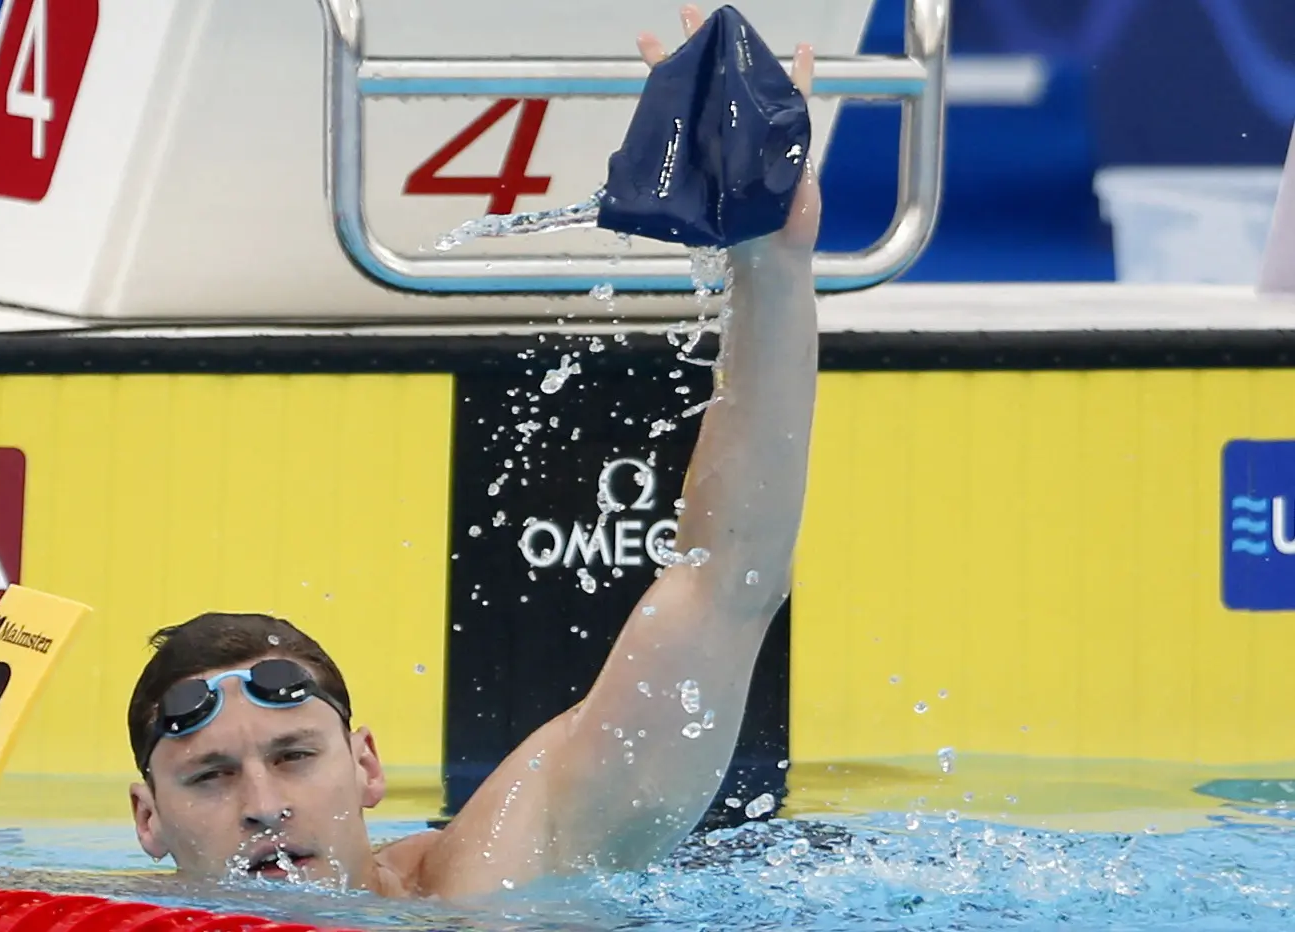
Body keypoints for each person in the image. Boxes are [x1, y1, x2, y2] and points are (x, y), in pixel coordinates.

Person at [125, 4, 822, 901]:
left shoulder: (488, 878)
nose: (264, 806)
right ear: (148, 817)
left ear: (367, 765)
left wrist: (770, 264)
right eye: (211, 776)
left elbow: (725, 583)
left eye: (296, 756)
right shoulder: (68, 912)